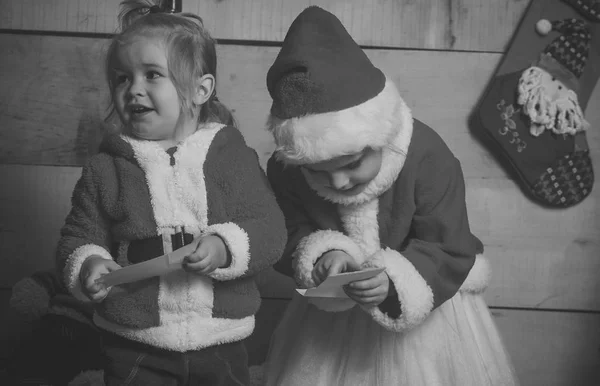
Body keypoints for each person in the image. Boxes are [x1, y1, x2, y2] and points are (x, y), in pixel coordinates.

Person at [262, 6, 519, 386]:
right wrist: (326, 253)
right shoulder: (288, 170)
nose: (340, 182)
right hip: (334, 319)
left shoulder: (428, 156)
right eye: (319, 171)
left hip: (432, 308)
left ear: (378, 135)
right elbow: (284, 233)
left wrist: (395, 282)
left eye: (352, 164)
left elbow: (449, 245)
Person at [55, 1, 287, 385]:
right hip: (135, 340)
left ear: (200, 89)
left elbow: (269, 228)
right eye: (122, 78)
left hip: (219, 337)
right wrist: (88, 264)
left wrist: (225, 247)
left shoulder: (231, 158)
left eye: (152, 75)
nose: (134, 90)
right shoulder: (106, 167)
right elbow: (78, 236)